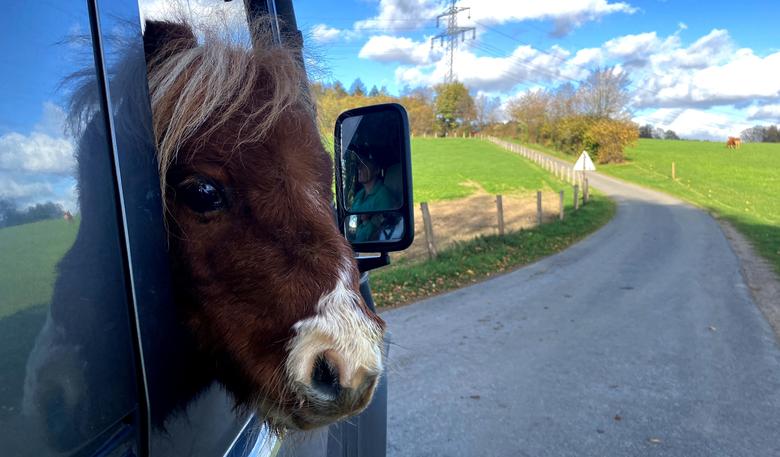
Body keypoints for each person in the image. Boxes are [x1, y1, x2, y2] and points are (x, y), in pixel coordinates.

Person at [350, 151, 396, 241]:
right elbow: (352, 222)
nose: (359, 168)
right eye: (359, 164)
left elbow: (377, 232)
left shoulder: (383, 196)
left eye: (365, 164)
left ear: (376, 170)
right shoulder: (359, 194)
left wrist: (365, 221)